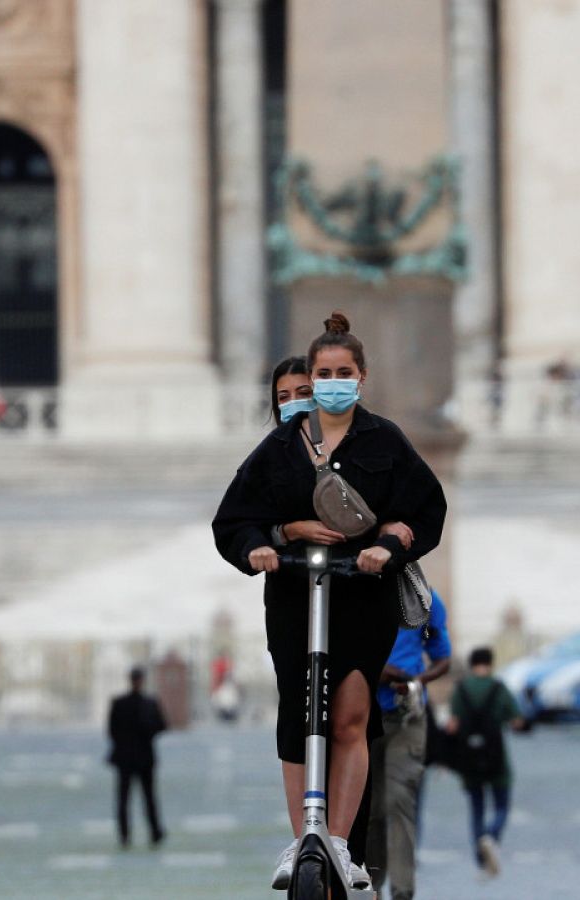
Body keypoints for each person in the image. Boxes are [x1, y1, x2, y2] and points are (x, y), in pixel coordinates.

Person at [212, 312, 448, 891]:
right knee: (298, 715)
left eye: (345, 372)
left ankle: (339, 842)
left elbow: (426, 511)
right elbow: (234, 519)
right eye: (324, 373)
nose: (333, 381)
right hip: (295, 598)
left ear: (361, 377)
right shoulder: (280, 446)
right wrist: (263, 546)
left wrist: (388, 546)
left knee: (349, 716)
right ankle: (302, 838)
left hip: (361, 599)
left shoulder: (384, 440)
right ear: (311, 378)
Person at [368, 589, 452, 900]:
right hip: (363, 717)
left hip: (408, 715)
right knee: (372, 810)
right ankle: (371, 887)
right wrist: (376, 670)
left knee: (399, 801)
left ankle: (403, 893)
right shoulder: (359, 590)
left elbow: (443, 658)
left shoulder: (425, 598)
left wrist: (417, 682)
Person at [446, 646, 524, 878]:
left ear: (471, 664)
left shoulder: (461, 690)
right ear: (490, 663)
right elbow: (517, 721)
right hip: (496, 756)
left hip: (469, 757)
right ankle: (492, 836)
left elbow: (452, 725)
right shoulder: (499, 688)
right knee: (501, 805)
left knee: (477, 809)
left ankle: (481, 860)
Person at [107, 667, 167, 848]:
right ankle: (153, 832)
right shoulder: (148, 703)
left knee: (127, 798)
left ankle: (127, 834)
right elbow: (162, 725)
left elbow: (112, 730)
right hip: (143, 757)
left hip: (127, 757)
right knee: (146, 797)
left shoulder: (121, 703)